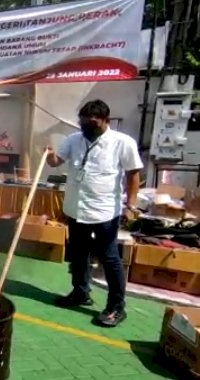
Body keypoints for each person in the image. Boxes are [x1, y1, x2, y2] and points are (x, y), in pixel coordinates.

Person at [45, 99, 142, 328]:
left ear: (106, 121)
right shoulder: (73, 139)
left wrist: (131, 205)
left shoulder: (122, 142)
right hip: (76, 208)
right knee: (78, 253)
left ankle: (117, 306)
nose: (87, 127)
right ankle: (80, 292)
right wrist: (50, 156)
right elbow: (56, 161)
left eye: (93, 123)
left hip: (105, 211)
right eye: (83, 122)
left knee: (109, 257)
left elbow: (133, 175)